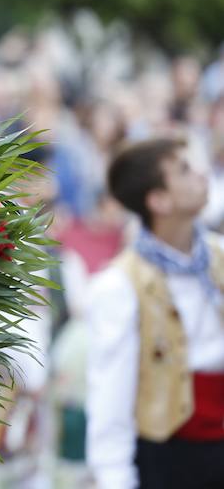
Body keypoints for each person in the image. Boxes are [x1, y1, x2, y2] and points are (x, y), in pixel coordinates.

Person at [86, 137, 224, 488]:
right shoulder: (120, 285)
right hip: (170, 458)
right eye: (184, 170)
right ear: (158, 200)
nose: (202, 174)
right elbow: (110, 402)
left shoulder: (219, 254)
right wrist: (116, 478)